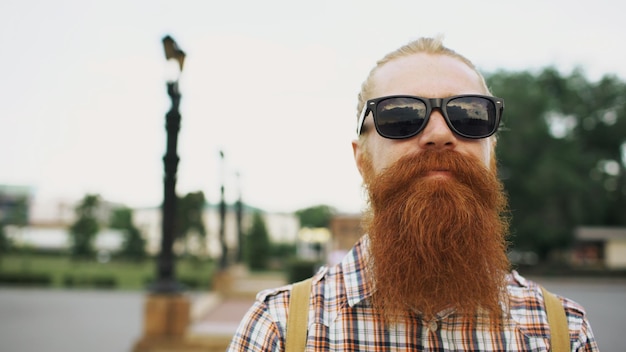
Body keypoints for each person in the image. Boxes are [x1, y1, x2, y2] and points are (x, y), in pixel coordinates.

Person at [227, 36, 598, 351]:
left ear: (492, 156)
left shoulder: (563, 333)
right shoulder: (280, 329)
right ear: (362, 159)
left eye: (469, 116)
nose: (439, 133)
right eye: (401, 117)